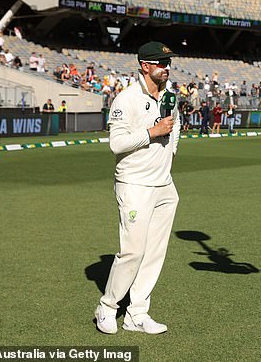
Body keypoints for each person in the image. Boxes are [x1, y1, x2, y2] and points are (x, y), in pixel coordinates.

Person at [95, 41, 180, 336]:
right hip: (134, 184)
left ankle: (137, 314)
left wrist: (170, 155)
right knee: (132, 252)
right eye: (160, 63)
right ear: (145, 66)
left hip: (164, 186)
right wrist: (151, 133)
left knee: (155, 253)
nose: (166, 68)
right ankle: (107, 308)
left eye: (168, 63)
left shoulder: (170, 96)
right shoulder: (126, 99)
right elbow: (116, 144)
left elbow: (175, 128)